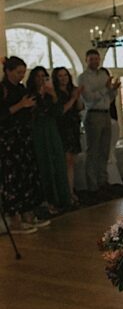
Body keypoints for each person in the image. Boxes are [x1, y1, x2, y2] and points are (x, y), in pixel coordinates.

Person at [0, 57, 47, 233]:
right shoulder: (2, 89)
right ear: (8, 71)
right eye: (18, 72)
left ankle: (29, 214)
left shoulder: (21, 88)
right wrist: (21, 105)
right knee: (13, 178)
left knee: (28, 175)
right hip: (9, 141)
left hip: (24, 138)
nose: (21, 76)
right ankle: (15, 221)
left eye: (23, 72)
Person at [26, 67, 72, 215]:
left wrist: (53, 96)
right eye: (38, 77)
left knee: (58, 162)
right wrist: (39, 95)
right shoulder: (30, 94)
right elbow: (32, 113)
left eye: (44, 77)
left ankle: (63, 199)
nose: (41, 79)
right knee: (45, 164)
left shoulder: (51, 94)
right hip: (38, 130)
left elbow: (58, 112)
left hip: (52, 130)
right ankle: (49, 200)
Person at [78, 49, 119, 196]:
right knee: (93, 151)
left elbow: (110, 97)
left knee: (104, 150)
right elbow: (89, 98)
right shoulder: (83, 78)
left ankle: (103, 181)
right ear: (86, 60)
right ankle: (92, 185)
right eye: (91, 59)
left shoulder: (104, 74)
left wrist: (113, 90)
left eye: (97, 59)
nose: (95, 61)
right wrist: (106, 89)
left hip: (106, 113)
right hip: (93, 115)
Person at [52, 67, 83, 205]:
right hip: (62, 128)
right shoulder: (55, 93)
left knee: (71, 161)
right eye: (60, 76)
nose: (63, 78)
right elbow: (61, 110)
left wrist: (78, 96)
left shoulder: (72, 90)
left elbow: (80, 107)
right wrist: (73, 98)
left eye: (65, 75)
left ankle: (71, 190)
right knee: (66, 160)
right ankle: (66, 192)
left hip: (73, 127)